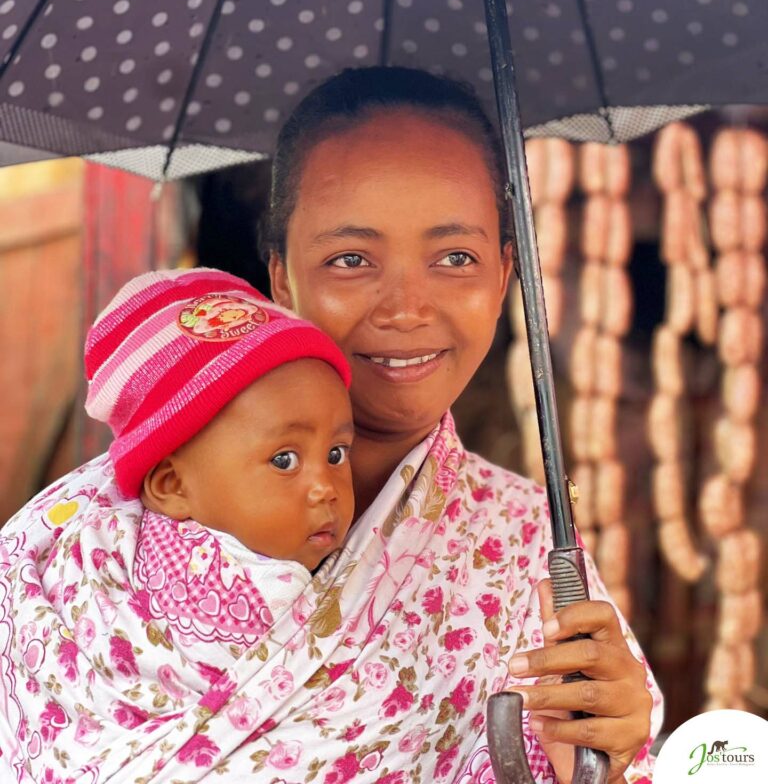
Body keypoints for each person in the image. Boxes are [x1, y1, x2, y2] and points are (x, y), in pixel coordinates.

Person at [0, 67, 660, 784]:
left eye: (455, 257)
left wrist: (598, 761)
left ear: (505, 276)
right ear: (282, 277)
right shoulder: (72, 548)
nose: (406, 308)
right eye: (351, 259)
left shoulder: (526, 548)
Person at [0, 267, 356, 782]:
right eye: (285, 460)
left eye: (337, 453)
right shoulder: (237, 588)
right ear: (171, 486)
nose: (326, 486)